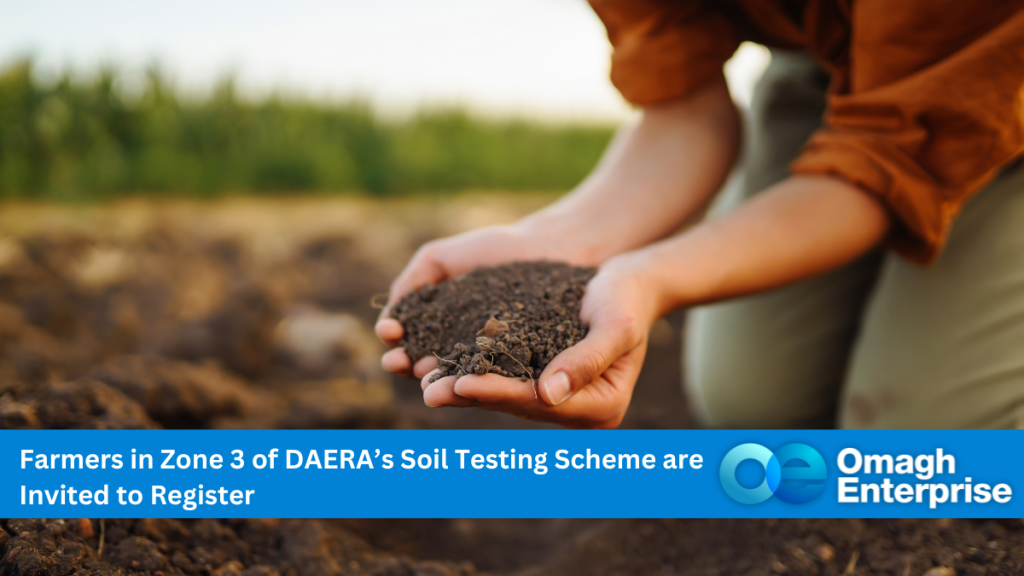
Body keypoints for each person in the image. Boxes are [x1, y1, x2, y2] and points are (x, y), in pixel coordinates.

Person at [375, 1, 1024, 429]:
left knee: (926, 437)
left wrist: (655, 277)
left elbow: (884, 163)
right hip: (833, 63)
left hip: (999, 66)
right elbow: (684, 112)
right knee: (754, 405)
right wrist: (553, 241)